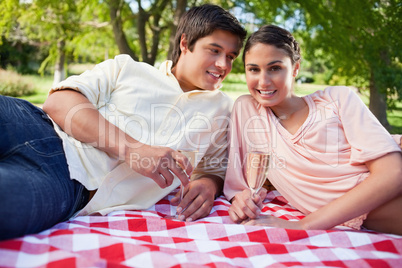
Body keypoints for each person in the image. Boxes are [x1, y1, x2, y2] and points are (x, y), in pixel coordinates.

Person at [0, 4, 247, 240]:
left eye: (231, 56)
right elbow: (59, 103)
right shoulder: (126, 68)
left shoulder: (223, 108)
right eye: (214, 50)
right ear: (185, 43)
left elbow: (216, 166)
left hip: (66, 186)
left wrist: (209, 184)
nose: (223, 65)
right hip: (33, 125)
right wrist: (133, 149)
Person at [223, 25, 402, 235]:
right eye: (254, 69)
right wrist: (240, 199)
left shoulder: (337, 99)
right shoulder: (248, 111)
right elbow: (238, 181)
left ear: (296, 68)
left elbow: (393, 173)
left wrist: (305, 225)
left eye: (275, 68)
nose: (263, 81)